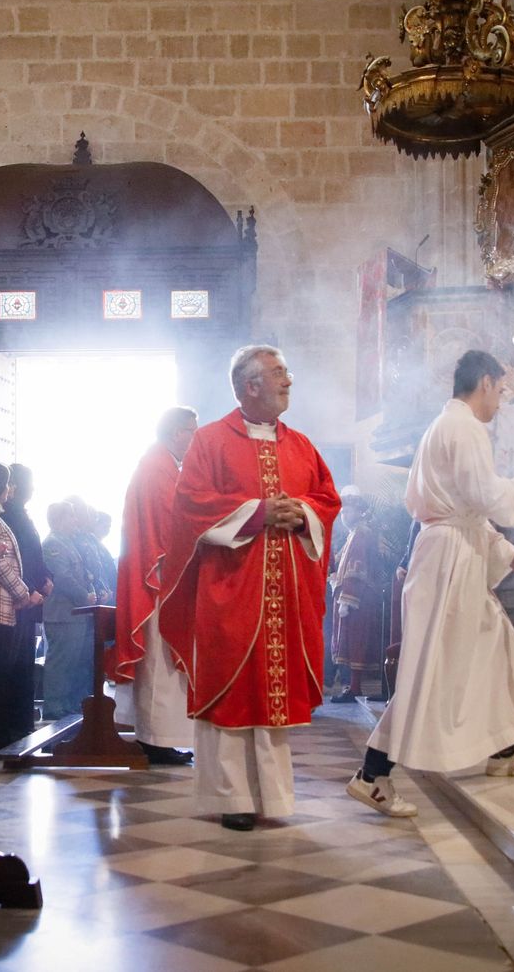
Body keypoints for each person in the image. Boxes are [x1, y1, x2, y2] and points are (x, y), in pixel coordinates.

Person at [349, 350, 514, 819]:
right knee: (429, 672)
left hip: (452, 552)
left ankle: (504, 750)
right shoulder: (464, 428)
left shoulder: (450, 426)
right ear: (483, 383)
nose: (499, 402)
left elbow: (466, 512)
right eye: (499, 391)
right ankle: (372, 774)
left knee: (494, 645)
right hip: (448, 561)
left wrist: (509, 554)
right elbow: (486, 498)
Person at [158, 345, 341, 831]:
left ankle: (275, 798)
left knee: (272, 693)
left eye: (287, 372)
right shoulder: (211, 441)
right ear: (250, 385)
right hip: (230, 588)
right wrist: (260, 512)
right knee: (232, 693)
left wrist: (300, 512)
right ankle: (232, 797)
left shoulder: (301, 444)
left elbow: (326, 498)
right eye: (280, 373)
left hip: (284, 590)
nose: (289, 381)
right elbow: (192, 503)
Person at [112, 406, 198, 766]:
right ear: (177, 433)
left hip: (160, 576)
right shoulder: (158, 469)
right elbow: (171, 524)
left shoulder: (160, 465)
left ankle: (160, 737)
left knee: (162, 659)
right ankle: (156, 740)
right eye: (192, 431)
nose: (195, 438)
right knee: (160, 660)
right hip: (159, 579)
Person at [0, 461, 45, 750]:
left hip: (7, 604)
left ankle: (1, 730)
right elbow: (0, 562)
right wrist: (23, 593)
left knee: (2, 672)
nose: (9, 490)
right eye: (5, 484)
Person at [0, 464, 51, 744]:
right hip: (18, 599)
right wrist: (31, 587)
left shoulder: (21, 513)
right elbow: (15, 559)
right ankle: (12, 724)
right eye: (29, 483)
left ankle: (21, 722)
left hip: (30, 596)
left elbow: (33, 551)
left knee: (24, 664)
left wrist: (46, 577)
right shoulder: (9, 514)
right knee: (14, 663)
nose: (33, 489)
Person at [329, 489, 388, 702]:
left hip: (358, 599)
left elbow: (357, 568)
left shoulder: (361, 534)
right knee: (351, 641)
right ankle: (353, 686)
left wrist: (347, 598)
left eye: (348, 511)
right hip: (355, 597)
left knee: (356, 642)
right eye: (342, 512)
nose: (344, 515)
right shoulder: (354, 534)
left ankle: (354, 687)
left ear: (359, 512)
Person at [40, 500, 98, 719]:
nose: (75, 520)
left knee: (72, 663)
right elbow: (63, 577)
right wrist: (85, 596)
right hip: (62, 614)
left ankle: (66, 704)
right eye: (71, 516)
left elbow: (84, 574)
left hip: (75, 614)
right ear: (60, 519)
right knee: (60, 662)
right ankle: (54, 707)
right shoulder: (53, 544)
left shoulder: (68, 543)